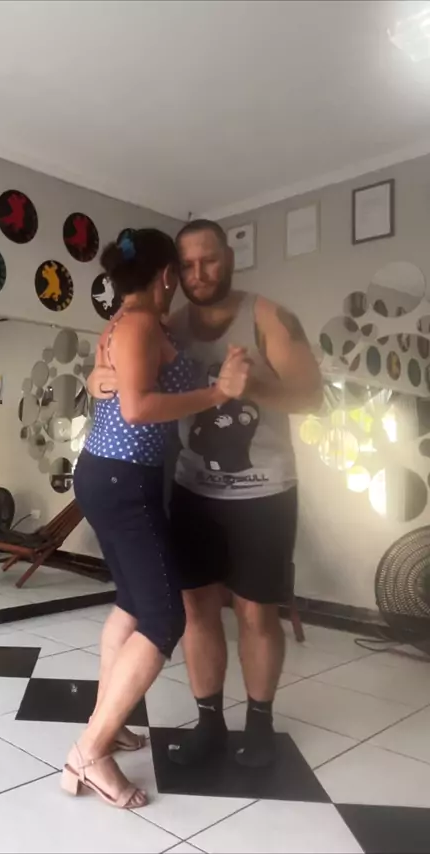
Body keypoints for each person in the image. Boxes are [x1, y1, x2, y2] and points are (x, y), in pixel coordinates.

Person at [62, 227, 250, 809]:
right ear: (166, 275)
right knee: (164, 616)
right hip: (122, 479)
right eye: (180, 271)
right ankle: (90, 752)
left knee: (131, 603)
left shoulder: (125, 323)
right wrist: (219, 393)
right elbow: (139, 406)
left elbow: (118, 387)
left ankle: (107, 721)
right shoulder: (141, 324)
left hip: (110, 475)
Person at [167, 219, 323, 768]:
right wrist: (100, 379)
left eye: (208, 260)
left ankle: (260, 723)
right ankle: (209, 722)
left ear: (229, 258)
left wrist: (251, 385)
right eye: (187, 265)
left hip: (265, 493)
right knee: (197, 610)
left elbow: (312, 396)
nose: (199, 273)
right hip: (193, 489)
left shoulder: (267, 316)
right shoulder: (171, 327)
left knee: (257, 614)